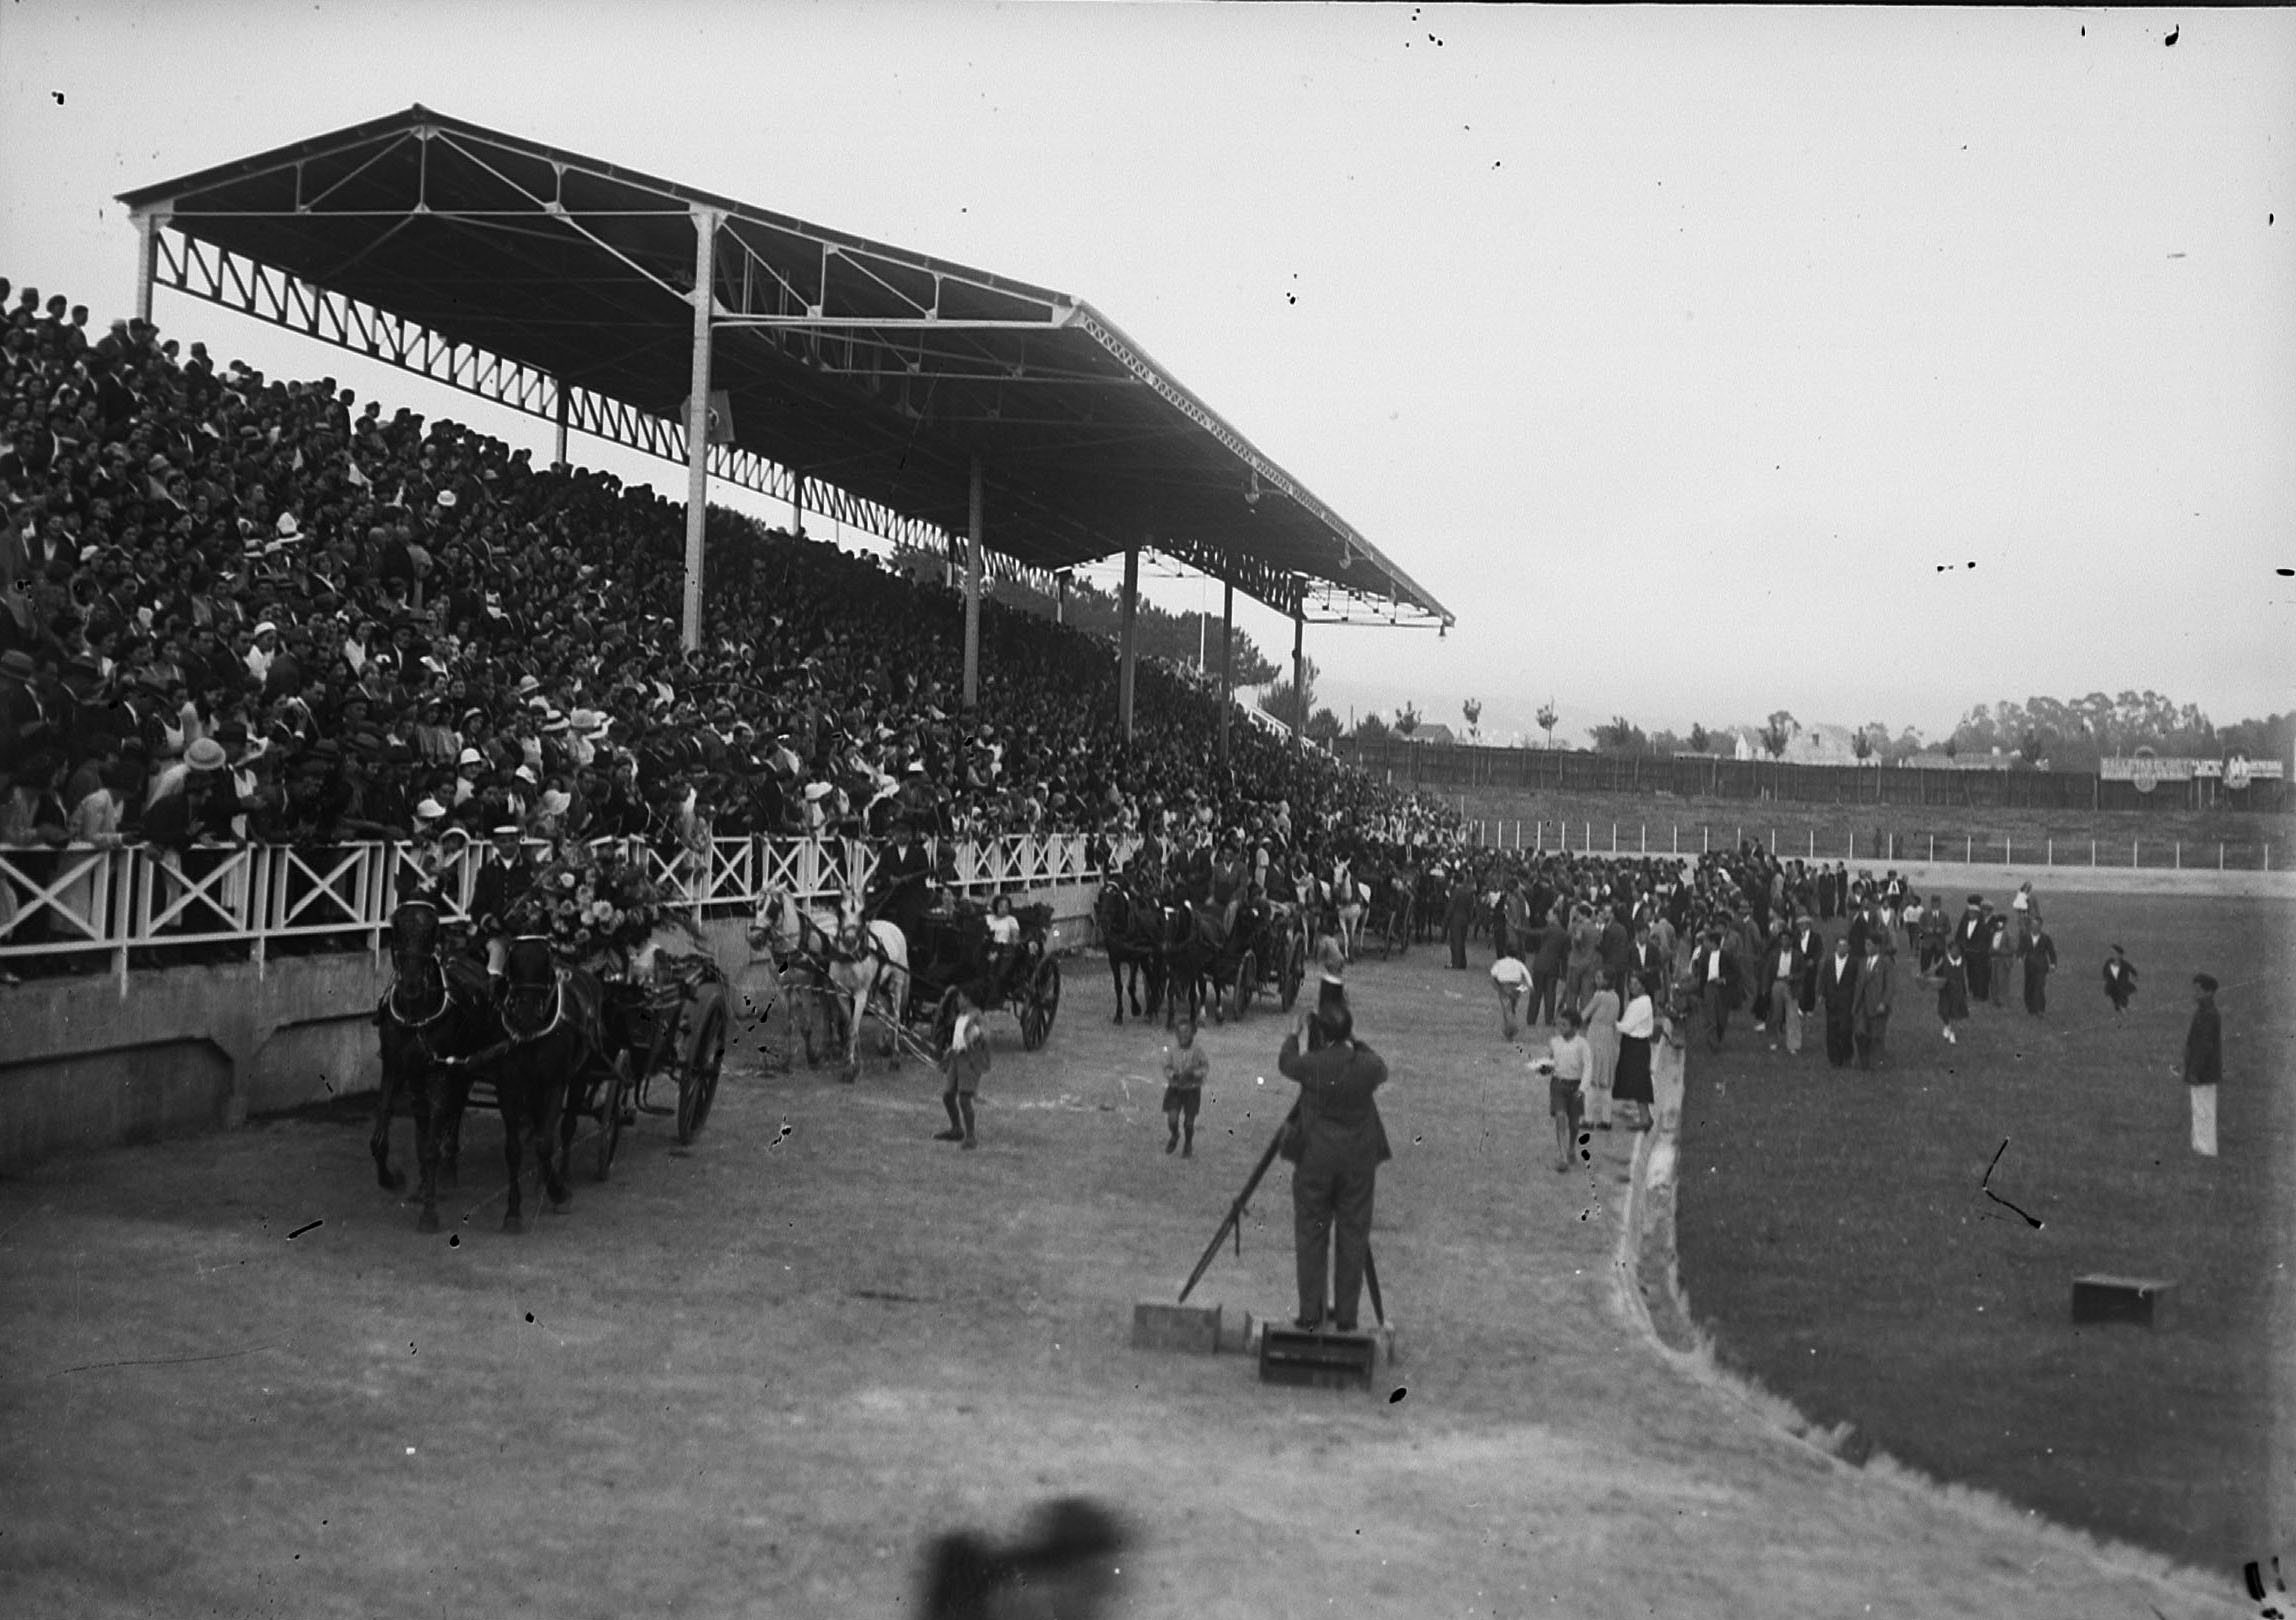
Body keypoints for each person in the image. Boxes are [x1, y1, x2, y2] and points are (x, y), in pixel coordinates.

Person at [1276, 1002, 1390, 1332]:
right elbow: (1381, 1067)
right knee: (1353, 1237)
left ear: (1321, 1032)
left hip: (1316, 1159)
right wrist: (1356, 1041)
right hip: (1357, 1161)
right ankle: (1346, 1317)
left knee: (1311, 1235)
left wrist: (1292, 1035)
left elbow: (1287, 1064)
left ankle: (1311, 1314)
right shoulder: (1366, 1066)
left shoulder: (1312, 1064)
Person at [936, 989, 991, 1148]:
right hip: (956, 1058)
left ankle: (971, 1136)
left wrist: (978, 1033)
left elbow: (985, 1035)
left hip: (969, 1060)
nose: (958, 1000)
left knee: (964, 1099)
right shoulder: (961, 1016)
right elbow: (958, 1038)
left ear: (968, 999)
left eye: (960, 997)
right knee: (947, 1095)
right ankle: (956, 1129)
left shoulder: (978, 1017)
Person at [1542, 1009, 1592, 1173]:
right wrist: (1544, 1068)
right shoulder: (1554, 1042)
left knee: (1574, 1123)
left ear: (1575, 1027)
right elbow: (1550, 1061)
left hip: (1575, 1086)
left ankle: (1571, 1147)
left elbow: (1588, 1068)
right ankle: (1563, 1157)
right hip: (1558, 1085)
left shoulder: (1582, 1044)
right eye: (1559, 1024)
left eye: (1565, 1025)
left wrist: (1583, 1088)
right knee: (1560, 1117)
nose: (1561, 1028)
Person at [2179, 973, 2221, 1157]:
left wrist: (2194, 1071)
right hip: (2200, 1070)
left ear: (2209, 992)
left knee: (2204, 1110)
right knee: (2199, 1108)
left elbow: (2204, 1046)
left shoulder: (2209, 1014)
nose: (2195, 994)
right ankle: (2199, 1146)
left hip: (2204, 1071)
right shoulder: (2203, 1012)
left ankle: (2206, 1149)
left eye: (2199, 991)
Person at [1613, 975, 1656, 1132]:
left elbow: (1627, 1026)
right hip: (1635, 1044)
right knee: (1638, 1081)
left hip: (1636, 1045)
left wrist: (1611, 1022)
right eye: (1630, 983)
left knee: (1639, 1082)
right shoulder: (1641, 1002)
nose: (1632, 987)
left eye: (1636, 984)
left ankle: (1645, 1118)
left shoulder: (1641, 1004)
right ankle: (1645, 1116)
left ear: (1643, 986)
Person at [1160, 1014, 1207, 1157]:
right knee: (1172, 1119)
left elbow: (1204, 1067)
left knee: (1189, 1122)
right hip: (1175, 1089)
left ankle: (1188, 1143)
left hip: (1192, 1090)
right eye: (1180, 1033)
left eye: (1187, 1032)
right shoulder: (1172, 1051)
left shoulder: (1197, 1051)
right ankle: (1175, 1135)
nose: (1183, 1036)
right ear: (1176, 1034)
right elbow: (1166, 1067)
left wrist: (1194, 1073)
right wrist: (1173, 1075)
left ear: (1193, 1033)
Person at [1579, 967, 1620, 1130]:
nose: (1596, 980)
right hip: (1609, 1037)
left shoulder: (1599, 996)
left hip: (1596, 1035)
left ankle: (1588, 1119)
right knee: (1605, 1080)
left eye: (1598, 977)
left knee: (1591, 1077)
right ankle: (1606, 1119)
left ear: (1606, 981)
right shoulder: (1616, 997)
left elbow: (1584, 1014)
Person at [1852, 933, 1893, 1070]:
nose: (1866, 947)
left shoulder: (1885, 962)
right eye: (1865, 944)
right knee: (1860, 1032)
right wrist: (1855, 1005)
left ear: (1877, 946)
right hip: (1863, 1004)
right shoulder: (1862, 962)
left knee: (1877, 1036)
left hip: (1877, 1005)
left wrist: (1884, 1002)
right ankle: (1864, 1061)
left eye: (1869, 945)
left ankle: (1877, 1063)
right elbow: (1858, 983)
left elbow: (1890, 985)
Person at [1489, 949, 1533, 1040]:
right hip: (1516, 988)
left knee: (1506, 1008)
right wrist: (1530, 985)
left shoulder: (1500, 963)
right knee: (1512, 1007)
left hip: (1504, 987)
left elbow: (1493, 974)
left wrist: (1496, 986)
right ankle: (1510, 1025)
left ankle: (1510, 1029)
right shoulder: (1519, 963)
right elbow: (1526, 974)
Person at [2021, 919, 2057, 1015]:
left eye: (2036, 925)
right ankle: (2031, 1008)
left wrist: (2053, 964)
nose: (2034, 927)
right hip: (2029, 966)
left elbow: (2051, 952)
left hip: (2041, 966)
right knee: (2029, 987)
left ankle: (2040, 1009)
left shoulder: (2045, 938)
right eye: (2032, 924)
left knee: (2039, 987)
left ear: (2040, 926)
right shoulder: (2026, 937)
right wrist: (2019, 956)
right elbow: (2021, 948)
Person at [1936, 940, 1970, 1045]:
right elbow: (1936, 969)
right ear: (1948, 950)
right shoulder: (1944, 960)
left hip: (1957, 989)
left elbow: (1964, 977)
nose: (1955, 952)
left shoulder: (1962, 962)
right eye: (1952, 950)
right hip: (1945, 989)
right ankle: (1947, 1025)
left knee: (1955, 1013)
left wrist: (1965, 990)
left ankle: (1952, 1033)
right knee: (1943, 1011)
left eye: (1957, 950)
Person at [2102, 943, 2138, 1016]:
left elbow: (2132, 970)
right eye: (2111, 953)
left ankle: (2124, 1010)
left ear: (2120, 955)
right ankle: (2121, 1010)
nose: (2112, 955)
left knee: (2122, 998)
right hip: (2111, 986)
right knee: (2115, 1000)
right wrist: (2106, 977)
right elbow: (2105, 971)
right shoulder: (2109, 962)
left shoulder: (2124, 964)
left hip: (2122, 985)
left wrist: (2134, 976)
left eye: (2114, 953)